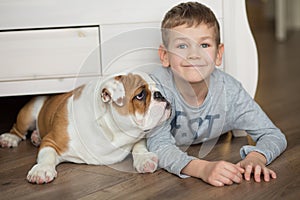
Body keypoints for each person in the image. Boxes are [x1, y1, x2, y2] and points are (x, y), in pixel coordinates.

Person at [147, 2, 287, 187]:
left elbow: (273, 134)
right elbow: (158, 145)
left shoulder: (230, 92)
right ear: (165, 56)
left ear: (218, 54)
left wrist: (257, 157)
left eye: (204, 44)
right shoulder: (157, 89)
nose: (194, 55)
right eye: (182, 46)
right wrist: (202, 169)